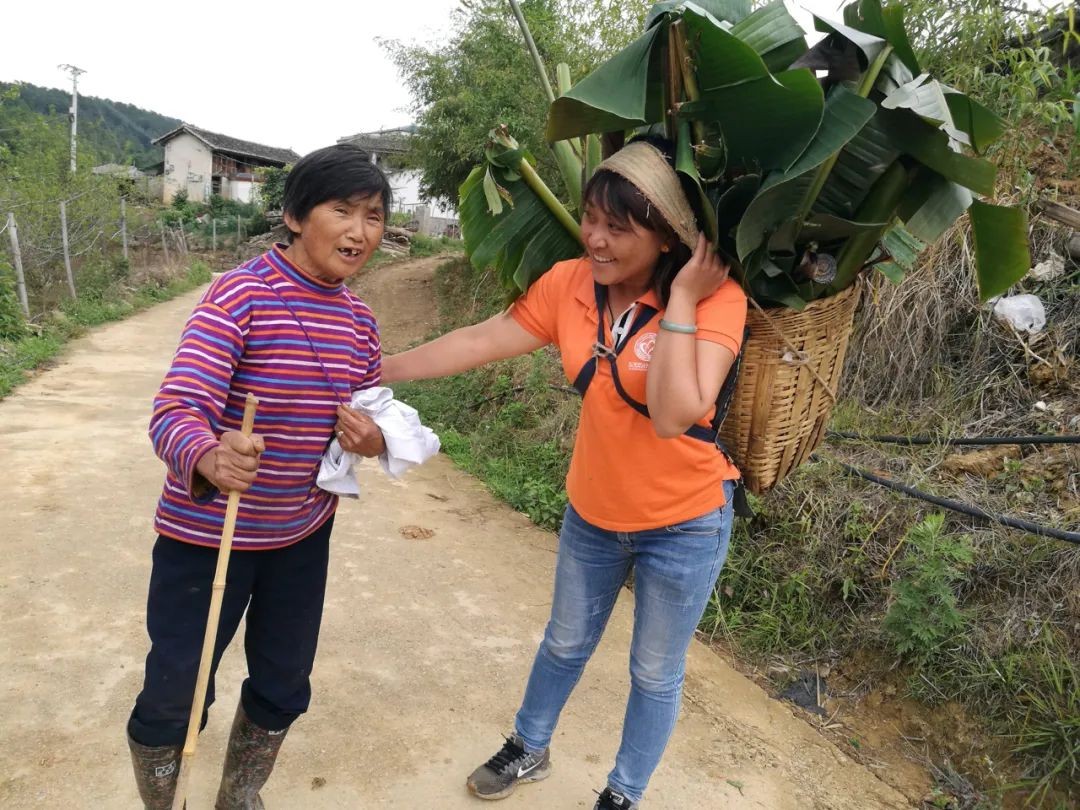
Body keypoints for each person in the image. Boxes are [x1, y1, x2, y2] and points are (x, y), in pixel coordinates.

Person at [382, 138, 748, 809]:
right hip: (594, 511)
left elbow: (672, 414)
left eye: (619, 228)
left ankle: (623, 793)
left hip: (686, 520)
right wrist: (379, 368)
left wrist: (684, 302)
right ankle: (529, 745)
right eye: (590, 220)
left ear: (668, 238)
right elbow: (481, 339)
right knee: (566, 641)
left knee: (655, 672)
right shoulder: (570, 283)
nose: (596, 240)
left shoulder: (719, 299)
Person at [126, 143, 389, 809]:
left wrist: (373, 436)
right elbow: (175, 409)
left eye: (375, 216)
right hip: (207, 537)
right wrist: (209, 455)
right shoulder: (241, 294)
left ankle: (237, 798)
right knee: (175, 693)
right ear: (297, 215)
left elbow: (374, 411)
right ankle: (166, 801)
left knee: (282, 684)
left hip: (301, 535)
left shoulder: (360, 323)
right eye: (342, 211)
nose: (360, 232)